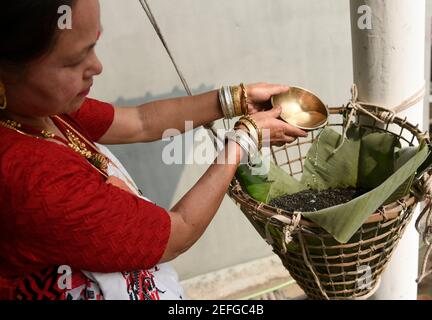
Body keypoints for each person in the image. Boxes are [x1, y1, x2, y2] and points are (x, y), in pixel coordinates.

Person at [0, 0, 307, 300]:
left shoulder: (39, 108)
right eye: (72, 61)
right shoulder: (31, 179)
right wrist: (244, 138)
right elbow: (178, 232)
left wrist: (236, 98)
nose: (96, 66)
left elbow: (140, 122)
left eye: (94, 44)